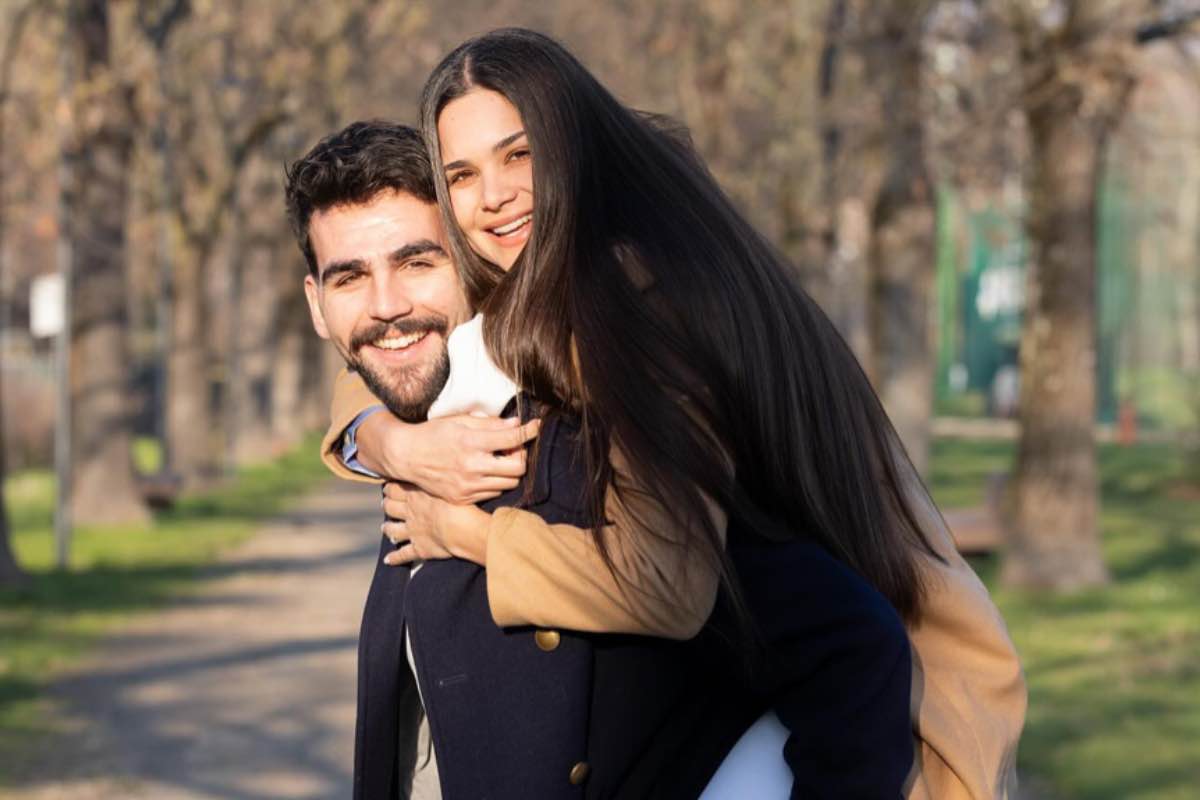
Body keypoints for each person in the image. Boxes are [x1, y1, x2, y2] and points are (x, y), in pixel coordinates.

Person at [328, 27, 1027, 799]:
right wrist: (384, 439)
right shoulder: (553, 268)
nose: (493, 195)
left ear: (570, 148)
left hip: (874, 696)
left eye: (519, 154)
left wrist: (463, 532)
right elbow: (392, 336)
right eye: (462, 174)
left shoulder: (637, 315)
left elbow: (669, 585)